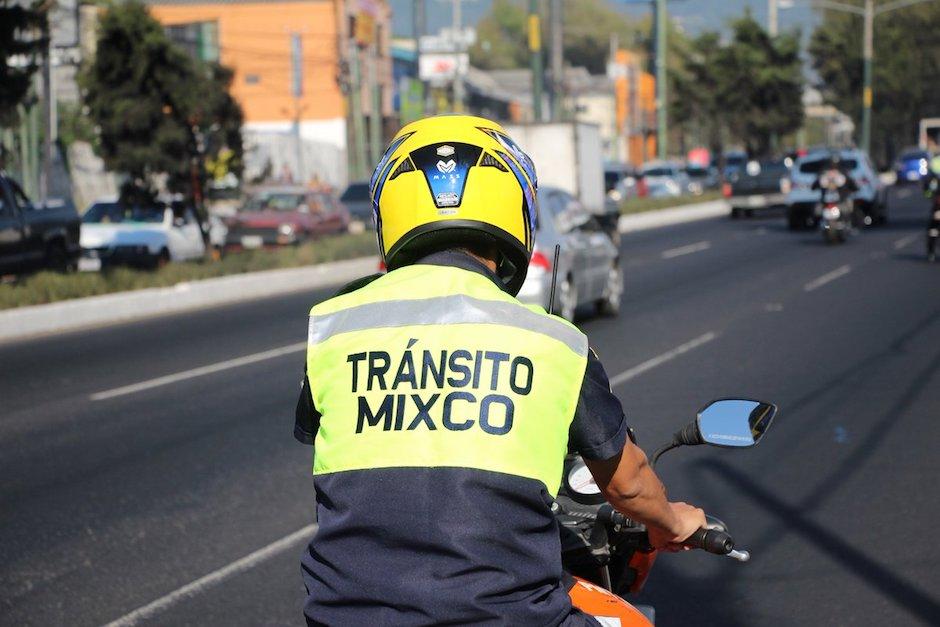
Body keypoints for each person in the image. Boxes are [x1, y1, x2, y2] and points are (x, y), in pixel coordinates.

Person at [294, 115, 706, 625]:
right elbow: (627, 484)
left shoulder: (335, 326)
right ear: (516, 211)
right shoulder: (552, 340)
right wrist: (672, 522)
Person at [812, 153, 859, 224]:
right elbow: (816, 184)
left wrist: (854, 188)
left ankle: (848, 224)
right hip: (826, 201)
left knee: (850, 209)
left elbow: (851, 183)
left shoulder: (843, 172)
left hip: (840, 200)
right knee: (816, 212)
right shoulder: (824, 172)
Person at [923, 154, 940, 262]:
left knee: (932, 228)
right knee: (932, 229)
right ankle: (931, 252)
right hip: (938, 206)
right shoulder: (933, 180)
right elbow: (928, 192)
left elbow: (927, 193)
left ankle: (931, 252)